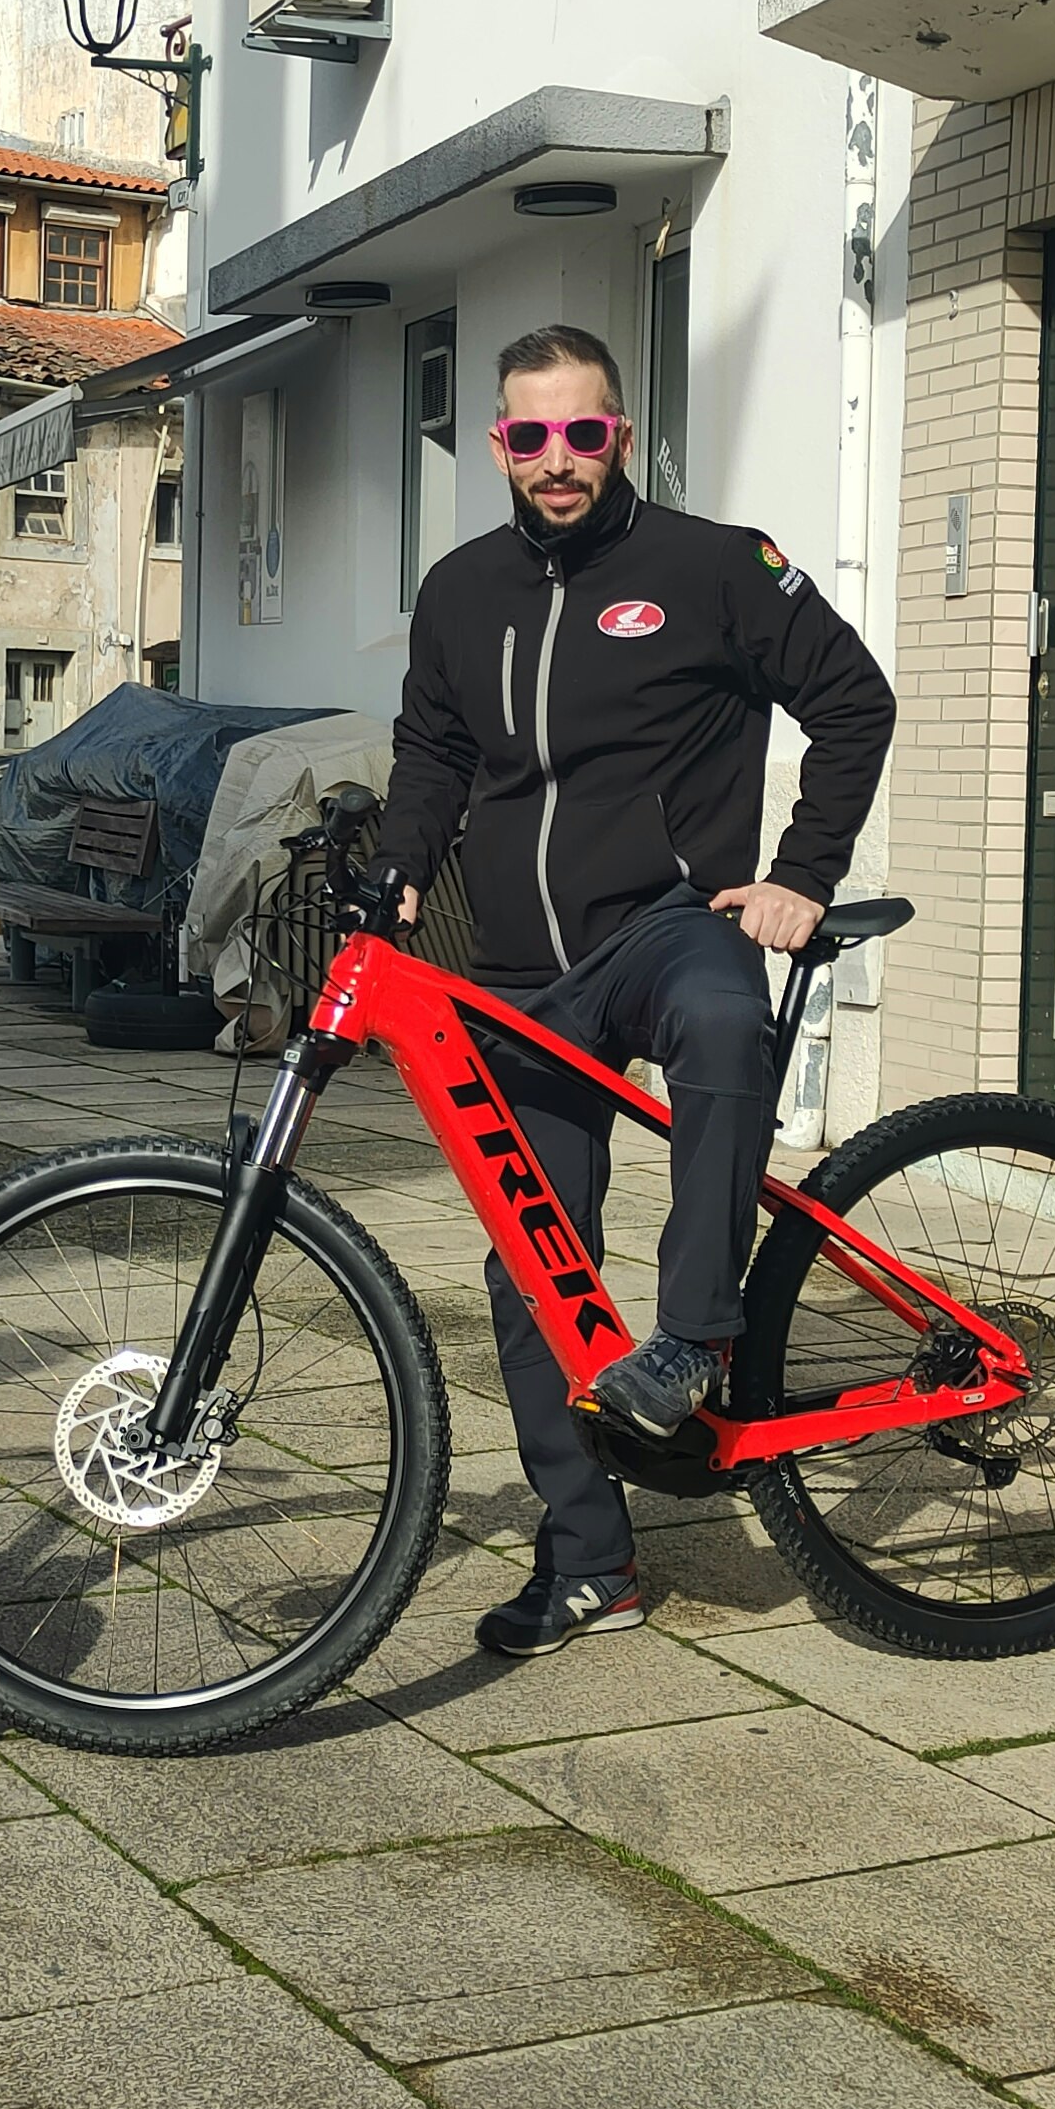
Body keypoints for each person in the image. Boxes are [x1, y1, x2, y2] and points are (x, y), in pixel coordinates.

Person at [372, 323, 895, 1659]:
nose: (558, 459)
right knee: (530, 1266)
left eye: (584, 432)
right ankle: (593, 1563)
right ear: (497, 441)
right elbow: (431, 753)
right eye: (531, 434)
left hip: (672, 922)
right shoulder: (459, 590)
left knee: (725, 1025)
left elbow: (853, 700)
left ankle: (696, 1340)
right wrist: (397, 866)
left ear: (620, 433)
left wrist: (799, 874)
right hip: (522, 971)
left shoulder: (714, 565)